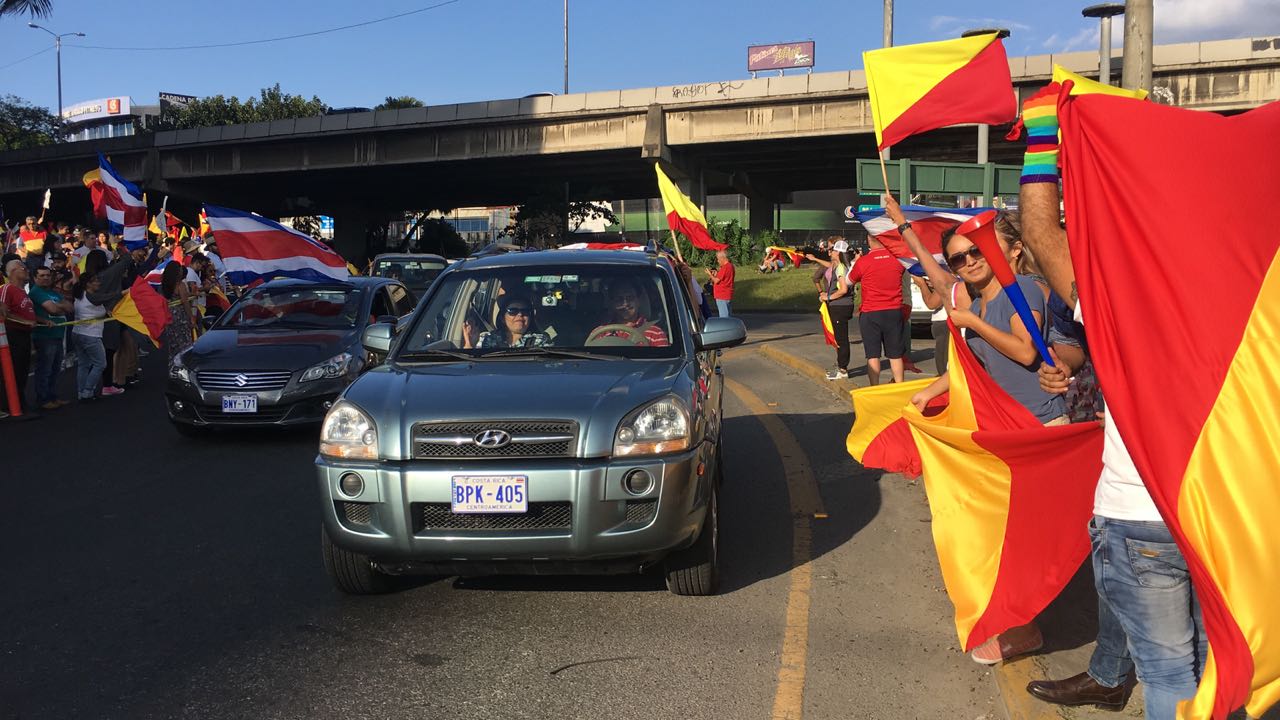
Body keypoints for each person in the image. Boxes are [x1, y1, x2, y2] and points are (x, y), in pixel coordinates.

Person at [1015, 87, 1205, 720]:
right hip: (1216, 507)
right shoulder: (1246, 315)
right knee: (1207, 664)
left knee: (1170, 672)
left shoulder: (1127, 305)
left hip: (1139, 512)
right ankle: (1120, 679)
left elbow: (1041, 231)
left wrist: (1044, 134)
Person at [846, 233, 906, 386]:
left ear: (868, 241)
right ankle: (899, 385)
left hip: (871, 311)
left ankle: (874, 387)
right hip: (894, 310)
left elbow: (848, 281)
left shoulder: (864, 262)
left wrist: (855, 262)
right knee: (895, 354)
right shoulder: (897, 260)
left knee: (872, 355)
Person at [28, 265, 72, 410]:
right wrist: (59, 306)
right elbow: (53, 309)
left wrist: (57, 306)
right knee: (45, 368)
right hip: (45, 336)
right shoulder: (36, 292)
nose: (46, 278)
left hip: (58, 334)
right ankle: (43, 399)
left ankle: (53, 396)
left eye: (47, 275)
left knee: (55, 368)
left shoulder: (53, 292)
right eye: (42, 275)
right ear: (35, 278)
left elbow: (71, 307)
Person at [1, 259, 37, 414]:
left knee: (22, 370)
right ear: (14, 271)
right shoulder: (7, 289)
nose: (27, 271)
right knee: (13, 370)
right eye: (24, 268)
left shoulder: (22, 291)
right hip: (12, 334)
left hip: (23, 334)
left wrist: (42, 320)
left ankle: (20, 401)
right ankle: (8, 405)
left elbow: (26, 313)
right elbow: (3, 312)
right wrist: (25, 321)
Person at [589, 279, 670, 347]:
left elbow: (661, 364)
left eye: (630, 298)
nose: (625, 304)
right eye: (619, 299)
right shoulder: (599, 333)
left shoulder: (655, 333)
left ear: (638, 301)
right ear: (612, 303)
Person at [71, 271, 113, 400]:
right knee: (100, 363)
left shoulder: (80, 296)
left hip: (77, 333)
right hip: (91, 335)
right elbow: (108, 297)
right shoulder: (91, 297)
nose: (98, 282)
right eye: (95, 280)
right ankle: (88, 391)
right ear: (88, 284)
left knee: (83, 364)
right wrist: (124, 292)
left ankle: (81, 392)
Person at [818, 241, 856, 381]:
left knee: (841, 339)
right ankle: (841, 365)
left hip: (840, 306)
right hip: (840, 305)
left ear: (838, 253)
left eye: (832, 249)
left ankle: (843, 369)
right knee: (839, 337)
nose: (830, 251)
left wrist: (828, 297)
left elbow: (843, 289)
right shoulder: (842, 266)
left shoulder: (840, 267)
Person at [476, 294, 550, 349]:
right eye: (513, 311)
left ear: (530, 318)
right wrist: (469, 345)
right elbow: (473, 363)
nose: (520, 314)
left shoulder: (541, 341)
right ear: (502, 318)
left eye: (525, 311)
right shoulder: (486, 338)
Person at [161, 261, 197, 362]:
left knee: (172, 341)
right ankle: (184, 363)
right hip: (180, 315)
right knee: (184, 342)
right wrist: (191, 317)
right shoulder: (180, 285)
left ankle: (173, 364)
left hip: (168, 314)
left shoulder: (164, 284)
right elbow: (185, 302)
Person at [706, 250, 735, 317]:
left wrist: (710, 274)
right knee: (728, 316)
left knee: (724, 317)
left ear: (722, 258)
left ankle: (725, 327)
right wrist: (716, 273)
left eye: (718, 259)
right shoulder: (730, 266)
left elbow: (716, 281)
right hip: (727, 294)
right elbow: (723, 277)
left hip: (722, 295)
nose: (717, 261)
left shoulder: (725, 267)